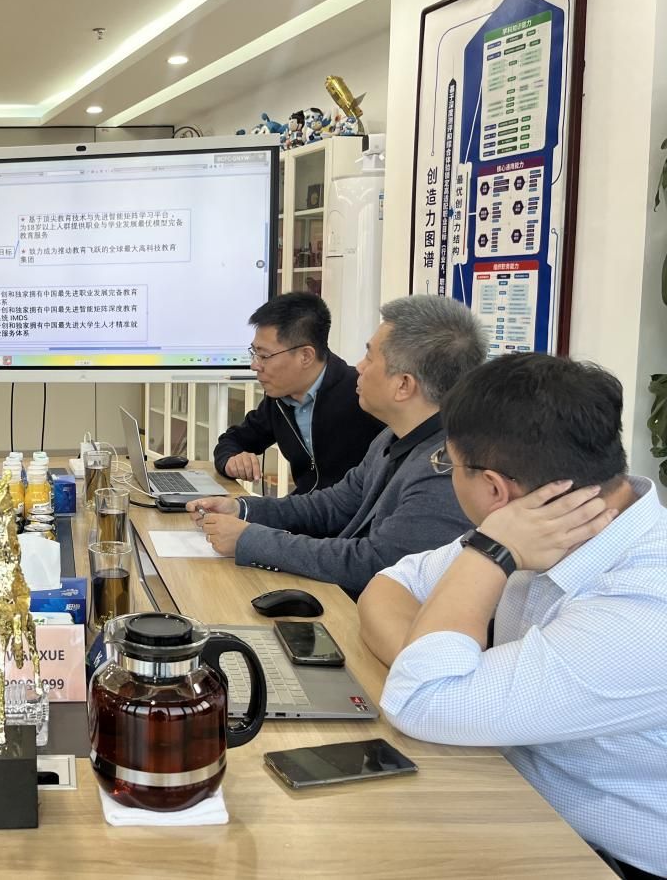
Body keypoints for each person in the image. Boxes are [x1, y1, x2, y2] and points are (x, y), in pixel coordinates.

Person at [358, 354, 667, 880]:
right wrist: (433, 662)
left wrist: (489, 555)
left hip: (604, 860)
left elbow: (420, 700)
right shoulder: (548, 520)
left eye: (448, 463)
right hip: (506, 793)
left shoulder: (645, 606)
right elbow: (390, 585)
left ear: (495, 489)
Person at [190, 295, 484, 596]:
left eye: (369, 358)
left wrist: (251, 540)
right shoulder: (391, 438)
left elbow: (374, 563)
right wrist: (242, 508)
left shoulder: (446, 469)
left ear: (404, 385)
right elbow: (332, 505)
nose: (360, 366)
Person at [213, 292, 383, 493]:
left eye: (264, 356)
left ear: (306, 356)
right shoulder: (279, 399)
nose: (255, 365)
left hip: (352, 511)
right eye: (254, 353)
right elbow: (233, 440)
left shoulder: (362, 396)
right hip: (304, 508)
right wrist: (232, 460)